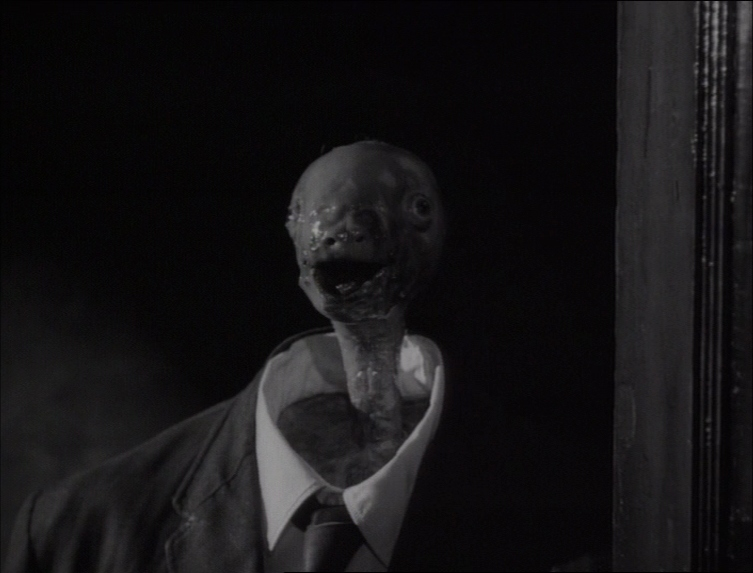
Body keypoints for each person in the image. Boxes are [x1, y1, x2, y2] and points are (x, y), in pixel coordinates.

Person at [5, 141, 595, 572]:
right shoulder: (75, 536)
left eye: (412, 209)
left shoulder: (587, 525)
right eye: (307, 217)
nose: (342, 232)